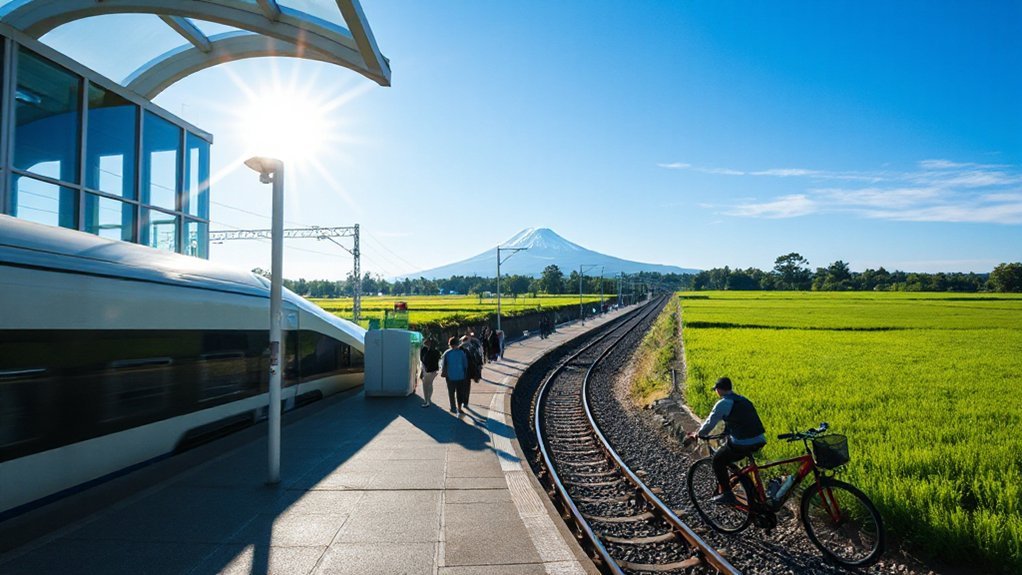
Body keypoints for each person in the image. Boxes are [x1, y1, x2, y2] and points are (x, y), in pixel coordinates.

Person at [686, 377, 766, 505]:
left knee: (718, 460)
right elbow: (740, 422)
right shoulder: (743, 400)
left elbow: (709, 423)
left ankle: (727, 494)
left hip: (742, 442)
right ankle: (754, 494)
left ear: (718, 390)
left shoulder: (723, 403)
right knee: (731, 454)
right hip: (760, 439)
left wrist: (698, 434)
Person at [440, 336, 469, 413]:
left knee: (451, 393)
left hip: (450, 377)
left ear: (450, 344)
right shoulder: (462, 353)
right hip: (460, 376)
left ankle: (453, 407)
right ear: (457, 344)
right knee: (460, 393)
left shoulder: (447, 353)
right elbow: (465, 365)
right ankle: (459, 408)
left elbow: (443, 365)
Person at [419, 338, 441, 408]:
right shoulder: (436, 351)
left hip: (428, 370)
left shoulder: (425, 350)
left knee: (425, 385)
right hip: (433, 370)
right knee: (430, 384)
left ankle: (426, 401)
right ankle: (428, 399)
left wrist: (423, 370)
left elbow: (423, 360)